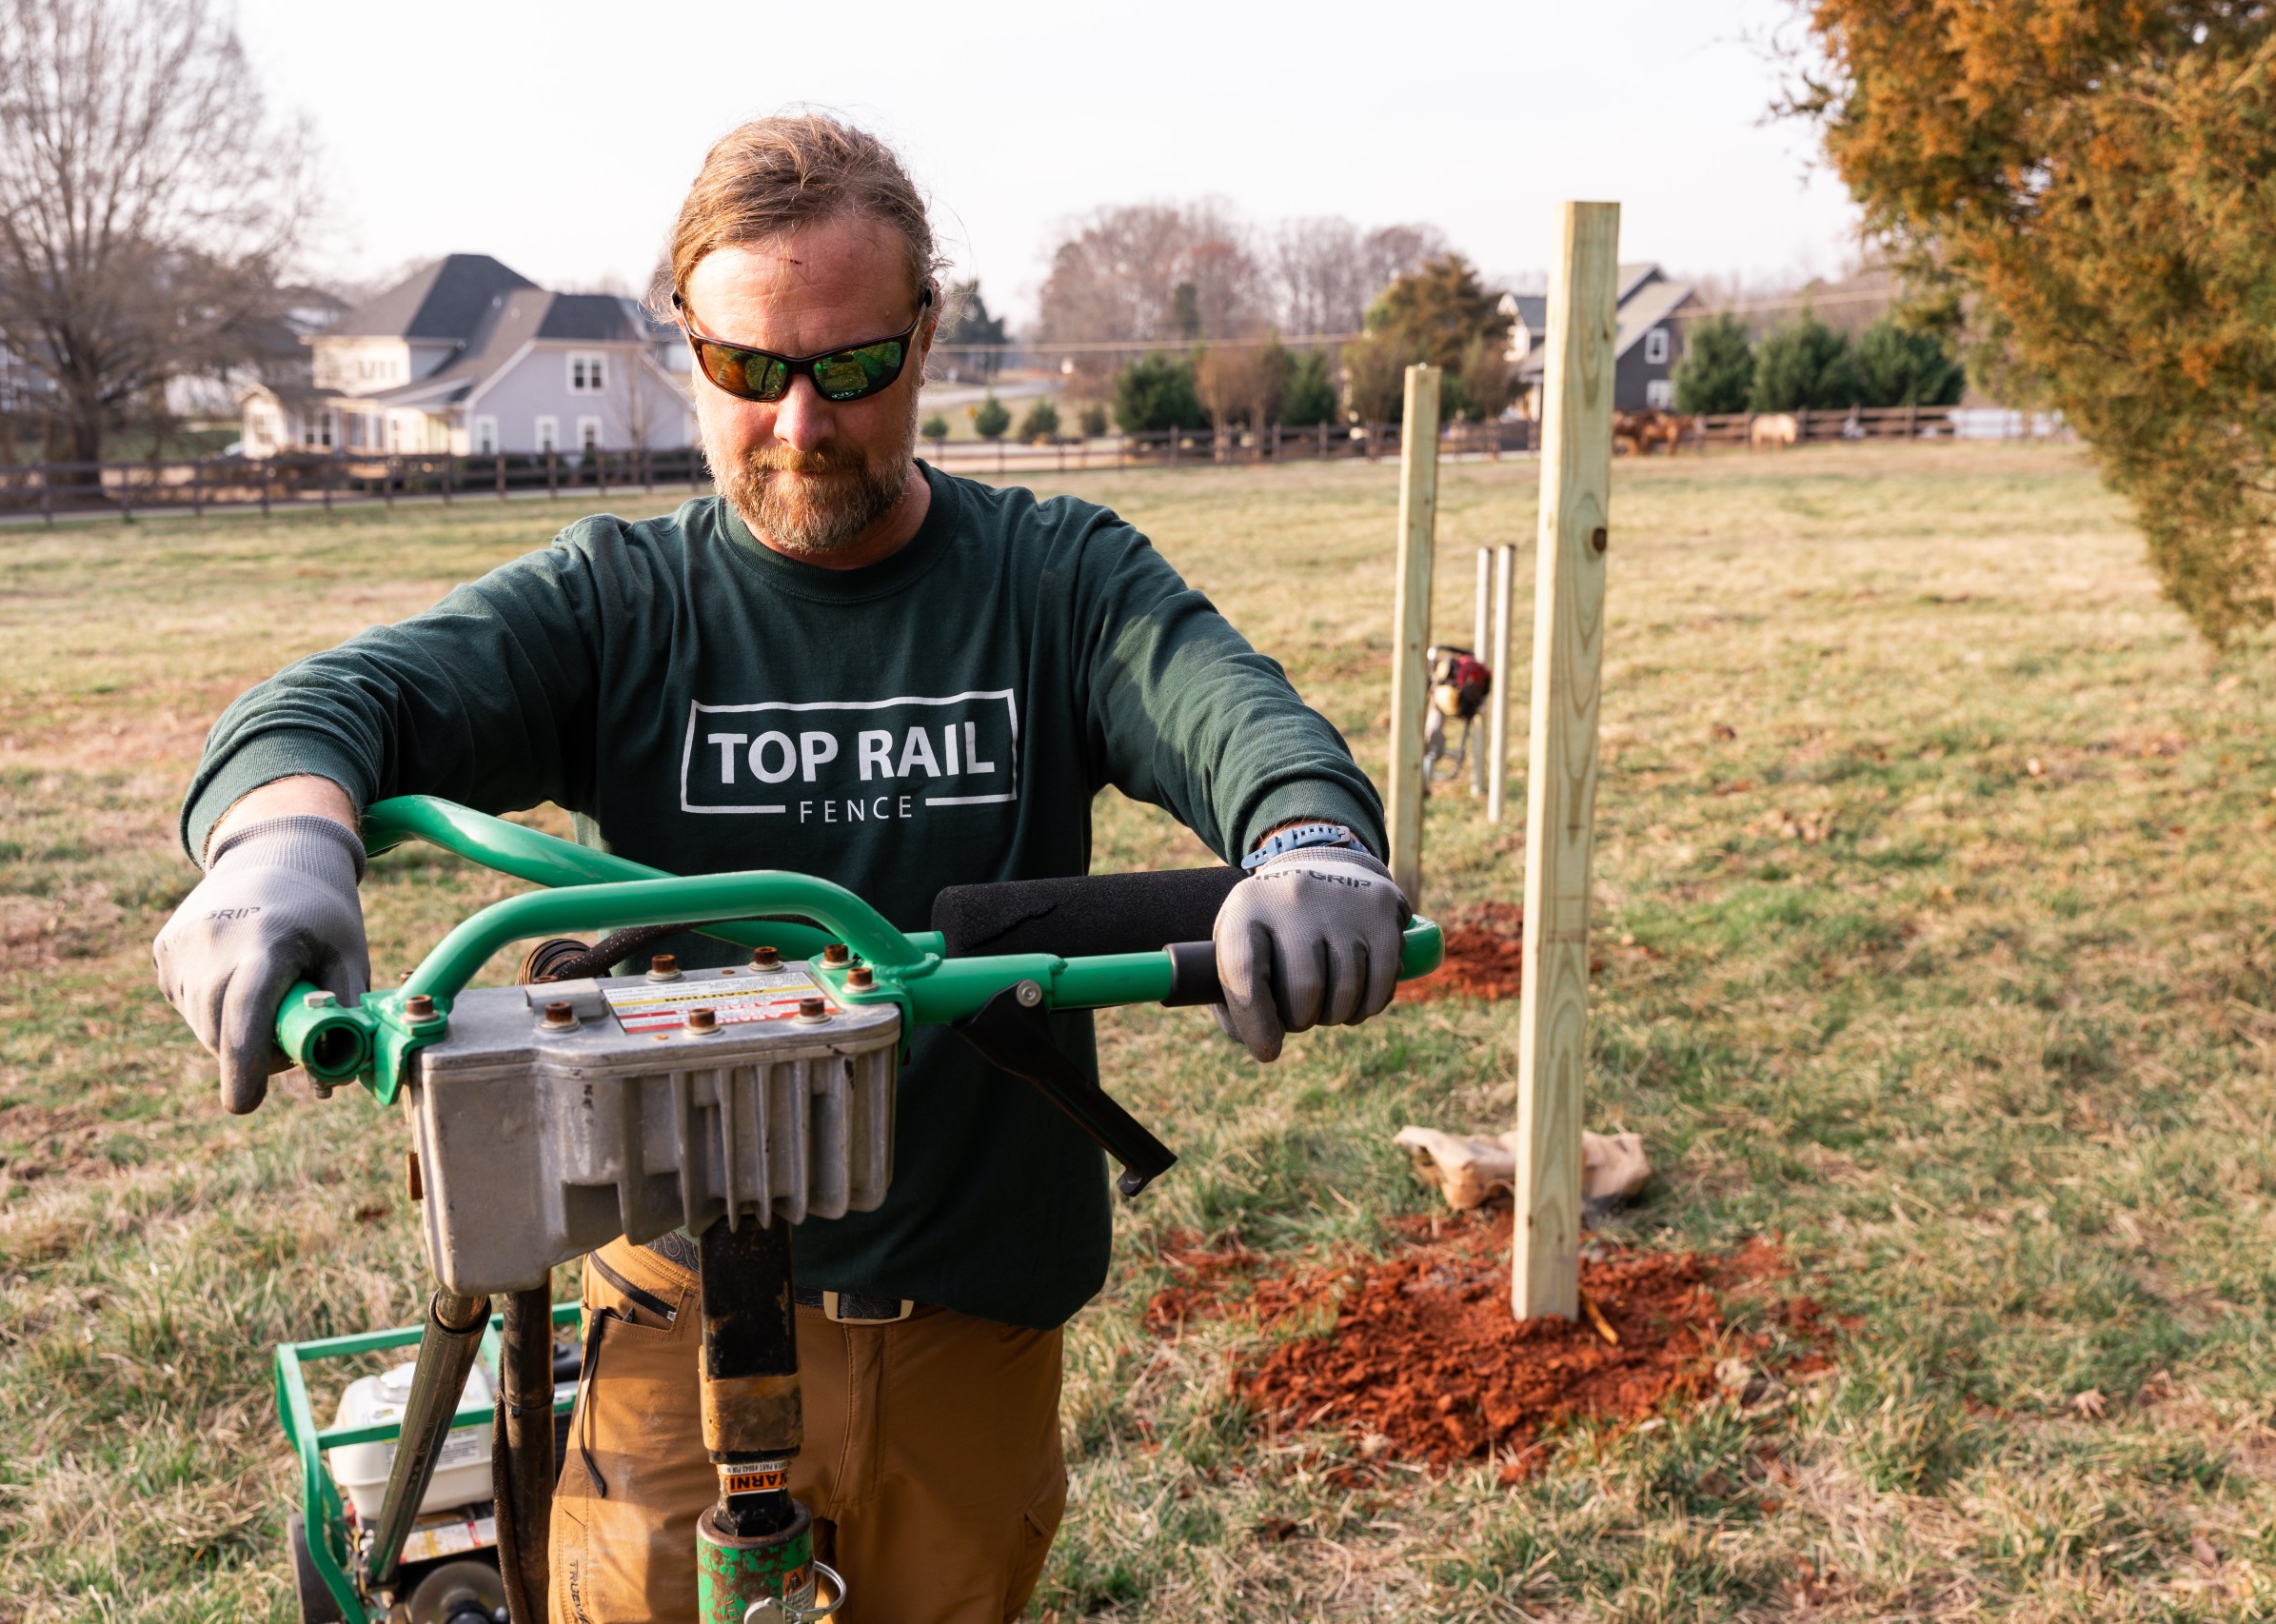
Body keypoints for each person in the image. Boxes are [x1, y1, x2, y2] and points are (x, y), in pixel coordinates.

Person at [151, 114, 1406, 1624]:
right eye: (751, 370)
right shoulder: (625, 604)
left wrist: (1310, 838)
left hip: (970, 1319)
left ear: (925, 337)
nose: (800, 422)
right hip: (677, 1311)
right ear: (689, 346)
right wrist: (281, 836)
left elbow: (1233, 711)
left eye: (851, 369)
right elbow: (336, 703)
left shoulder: (1052, 580)